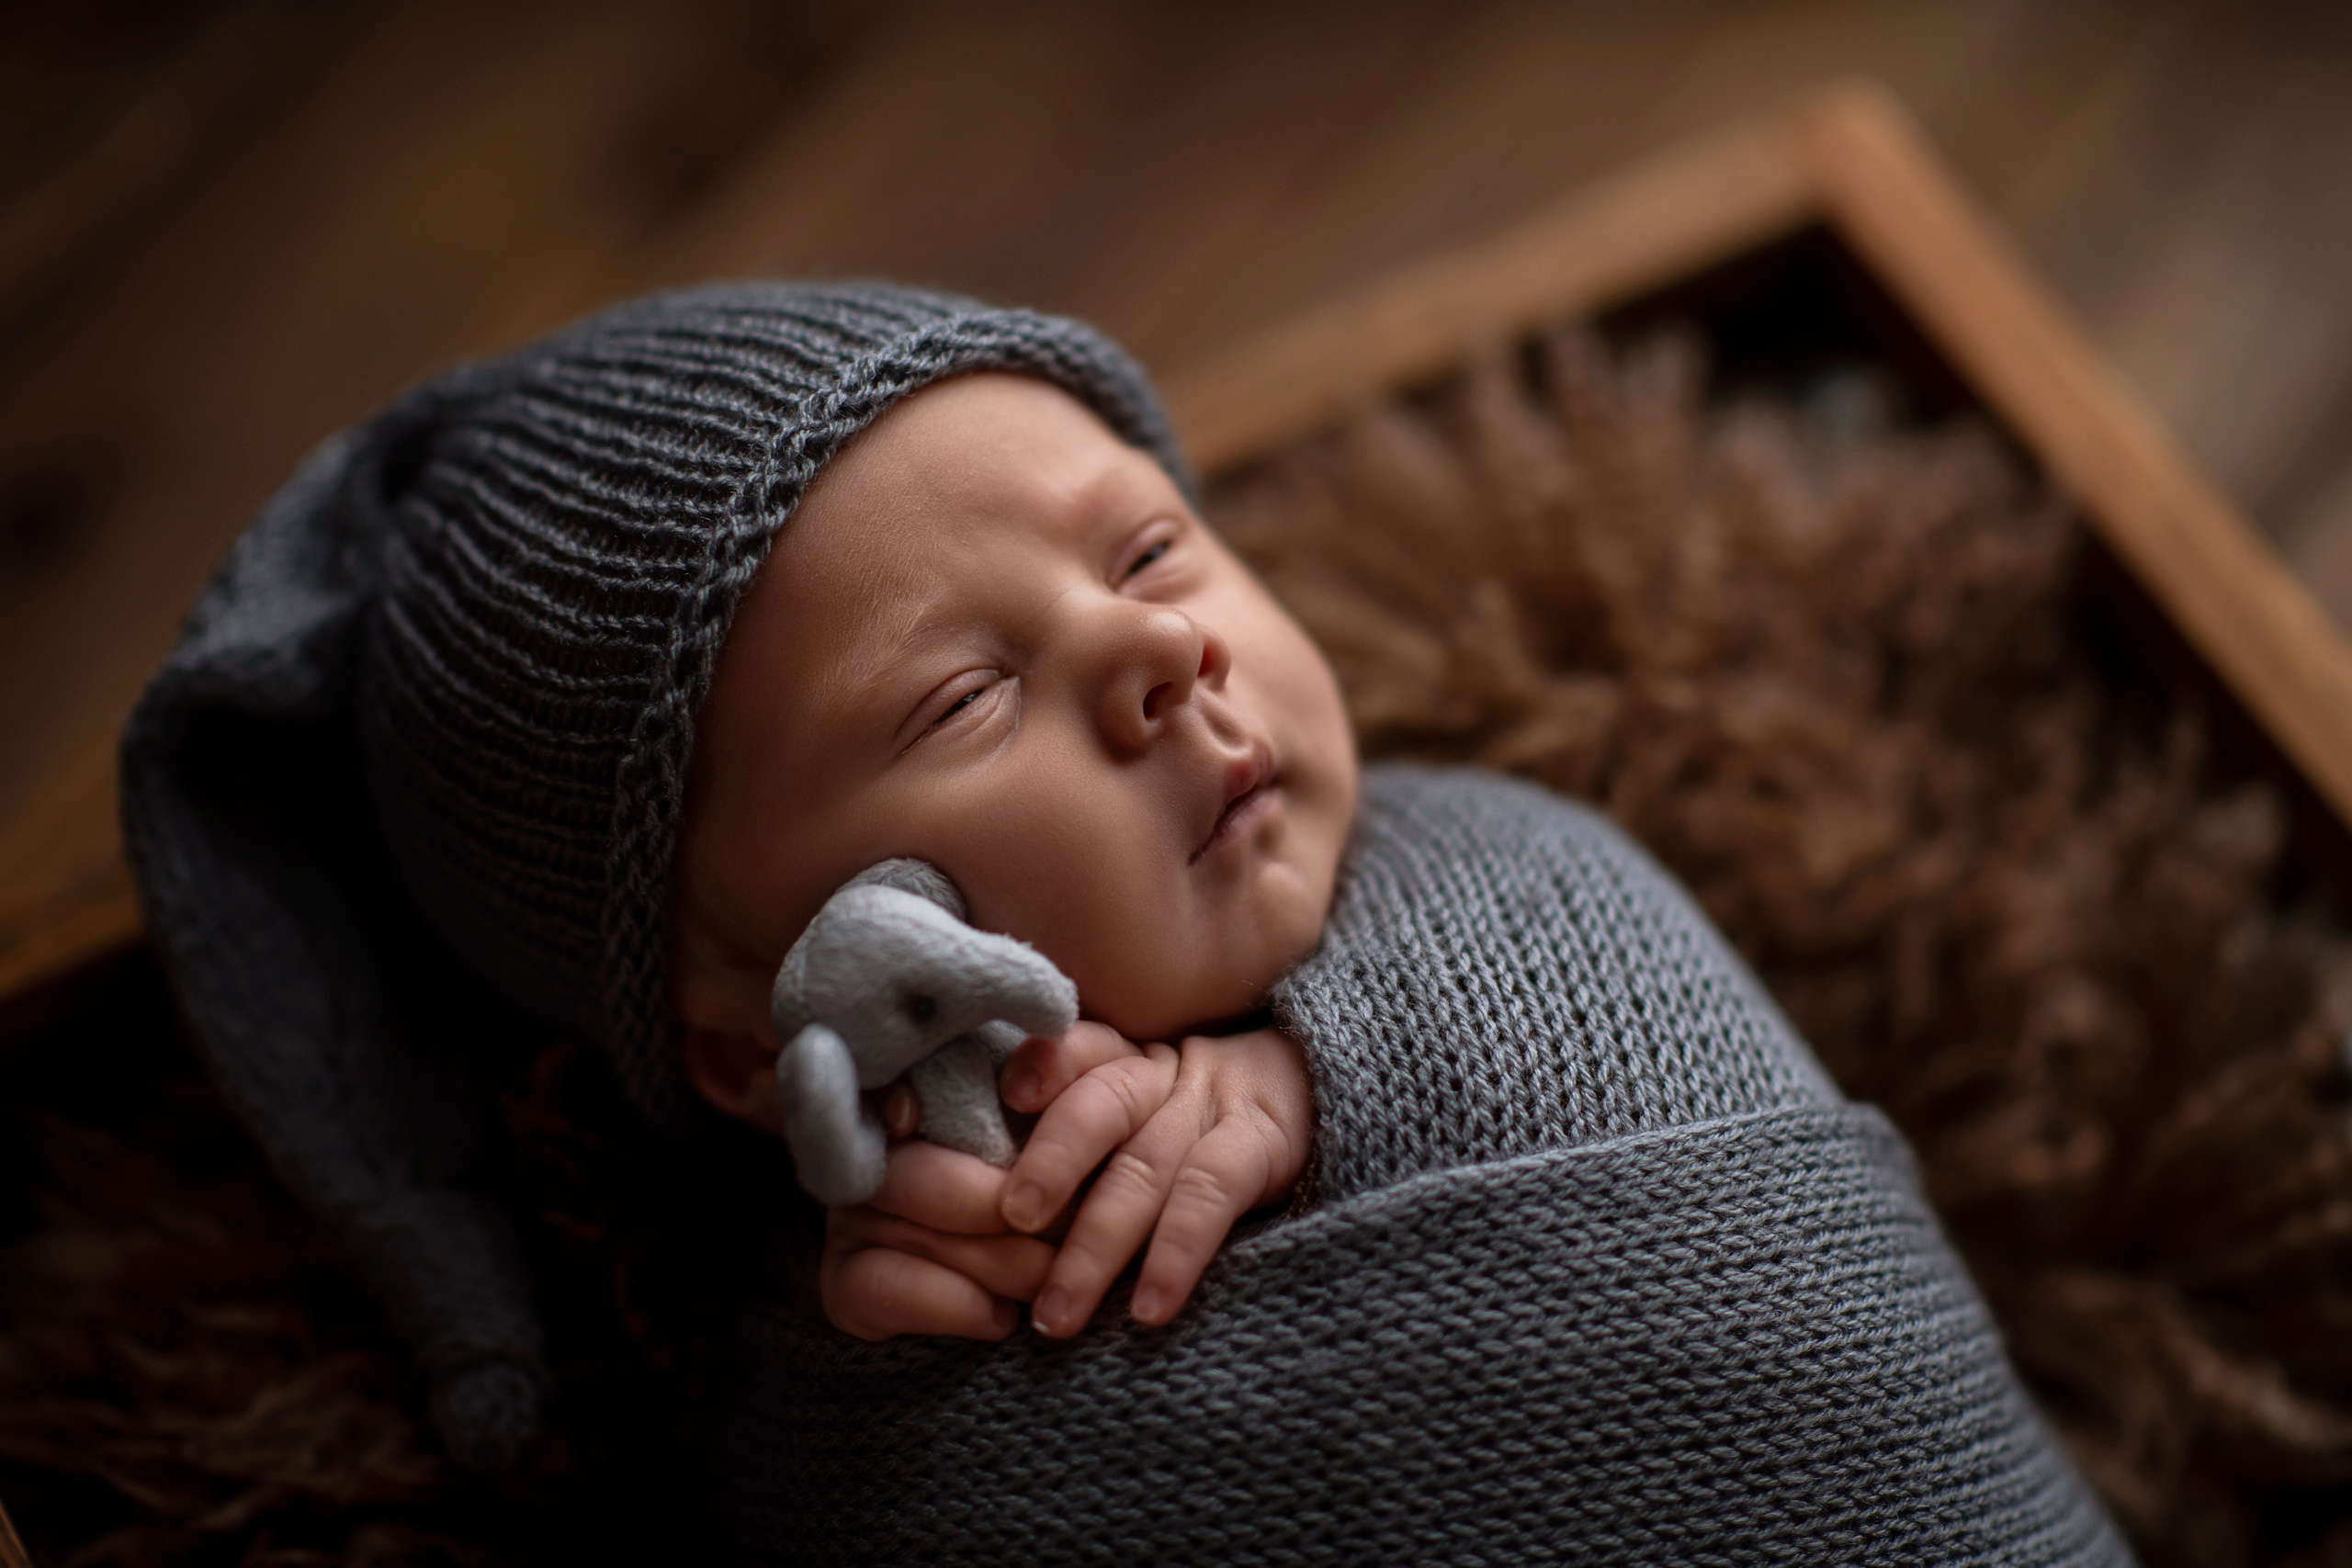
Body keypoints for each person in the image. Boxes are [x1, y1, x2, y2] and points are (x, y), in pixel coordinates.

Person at [121, 282, 2134, 1564]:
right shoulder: (828, 1341)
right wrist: (907, 1377)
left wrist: (1306, 1085)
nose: (1157, 648)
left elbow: (1675, 1107)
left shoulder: (1497, 869)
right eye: (958, 695)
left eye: (1150, 543)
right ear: (750, 1040)